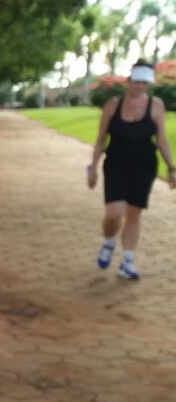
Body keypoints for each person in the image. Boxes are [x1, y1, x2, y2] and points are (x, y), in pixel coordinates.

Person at [88, 59, 176, 279]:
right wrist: (93, 168)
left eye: (144, 83)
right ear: (128, 81)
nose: (140, 86)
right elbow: (100, 139)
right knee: (114, 213)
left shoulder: (156, 105)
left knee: (134, 214)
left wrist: (171, 167)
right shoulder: (112, 106)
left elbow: (162, 138)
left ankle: (127, 261)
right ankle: (109, 242)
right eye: (137, 82)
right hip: (116, 164)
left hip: (144, 166)